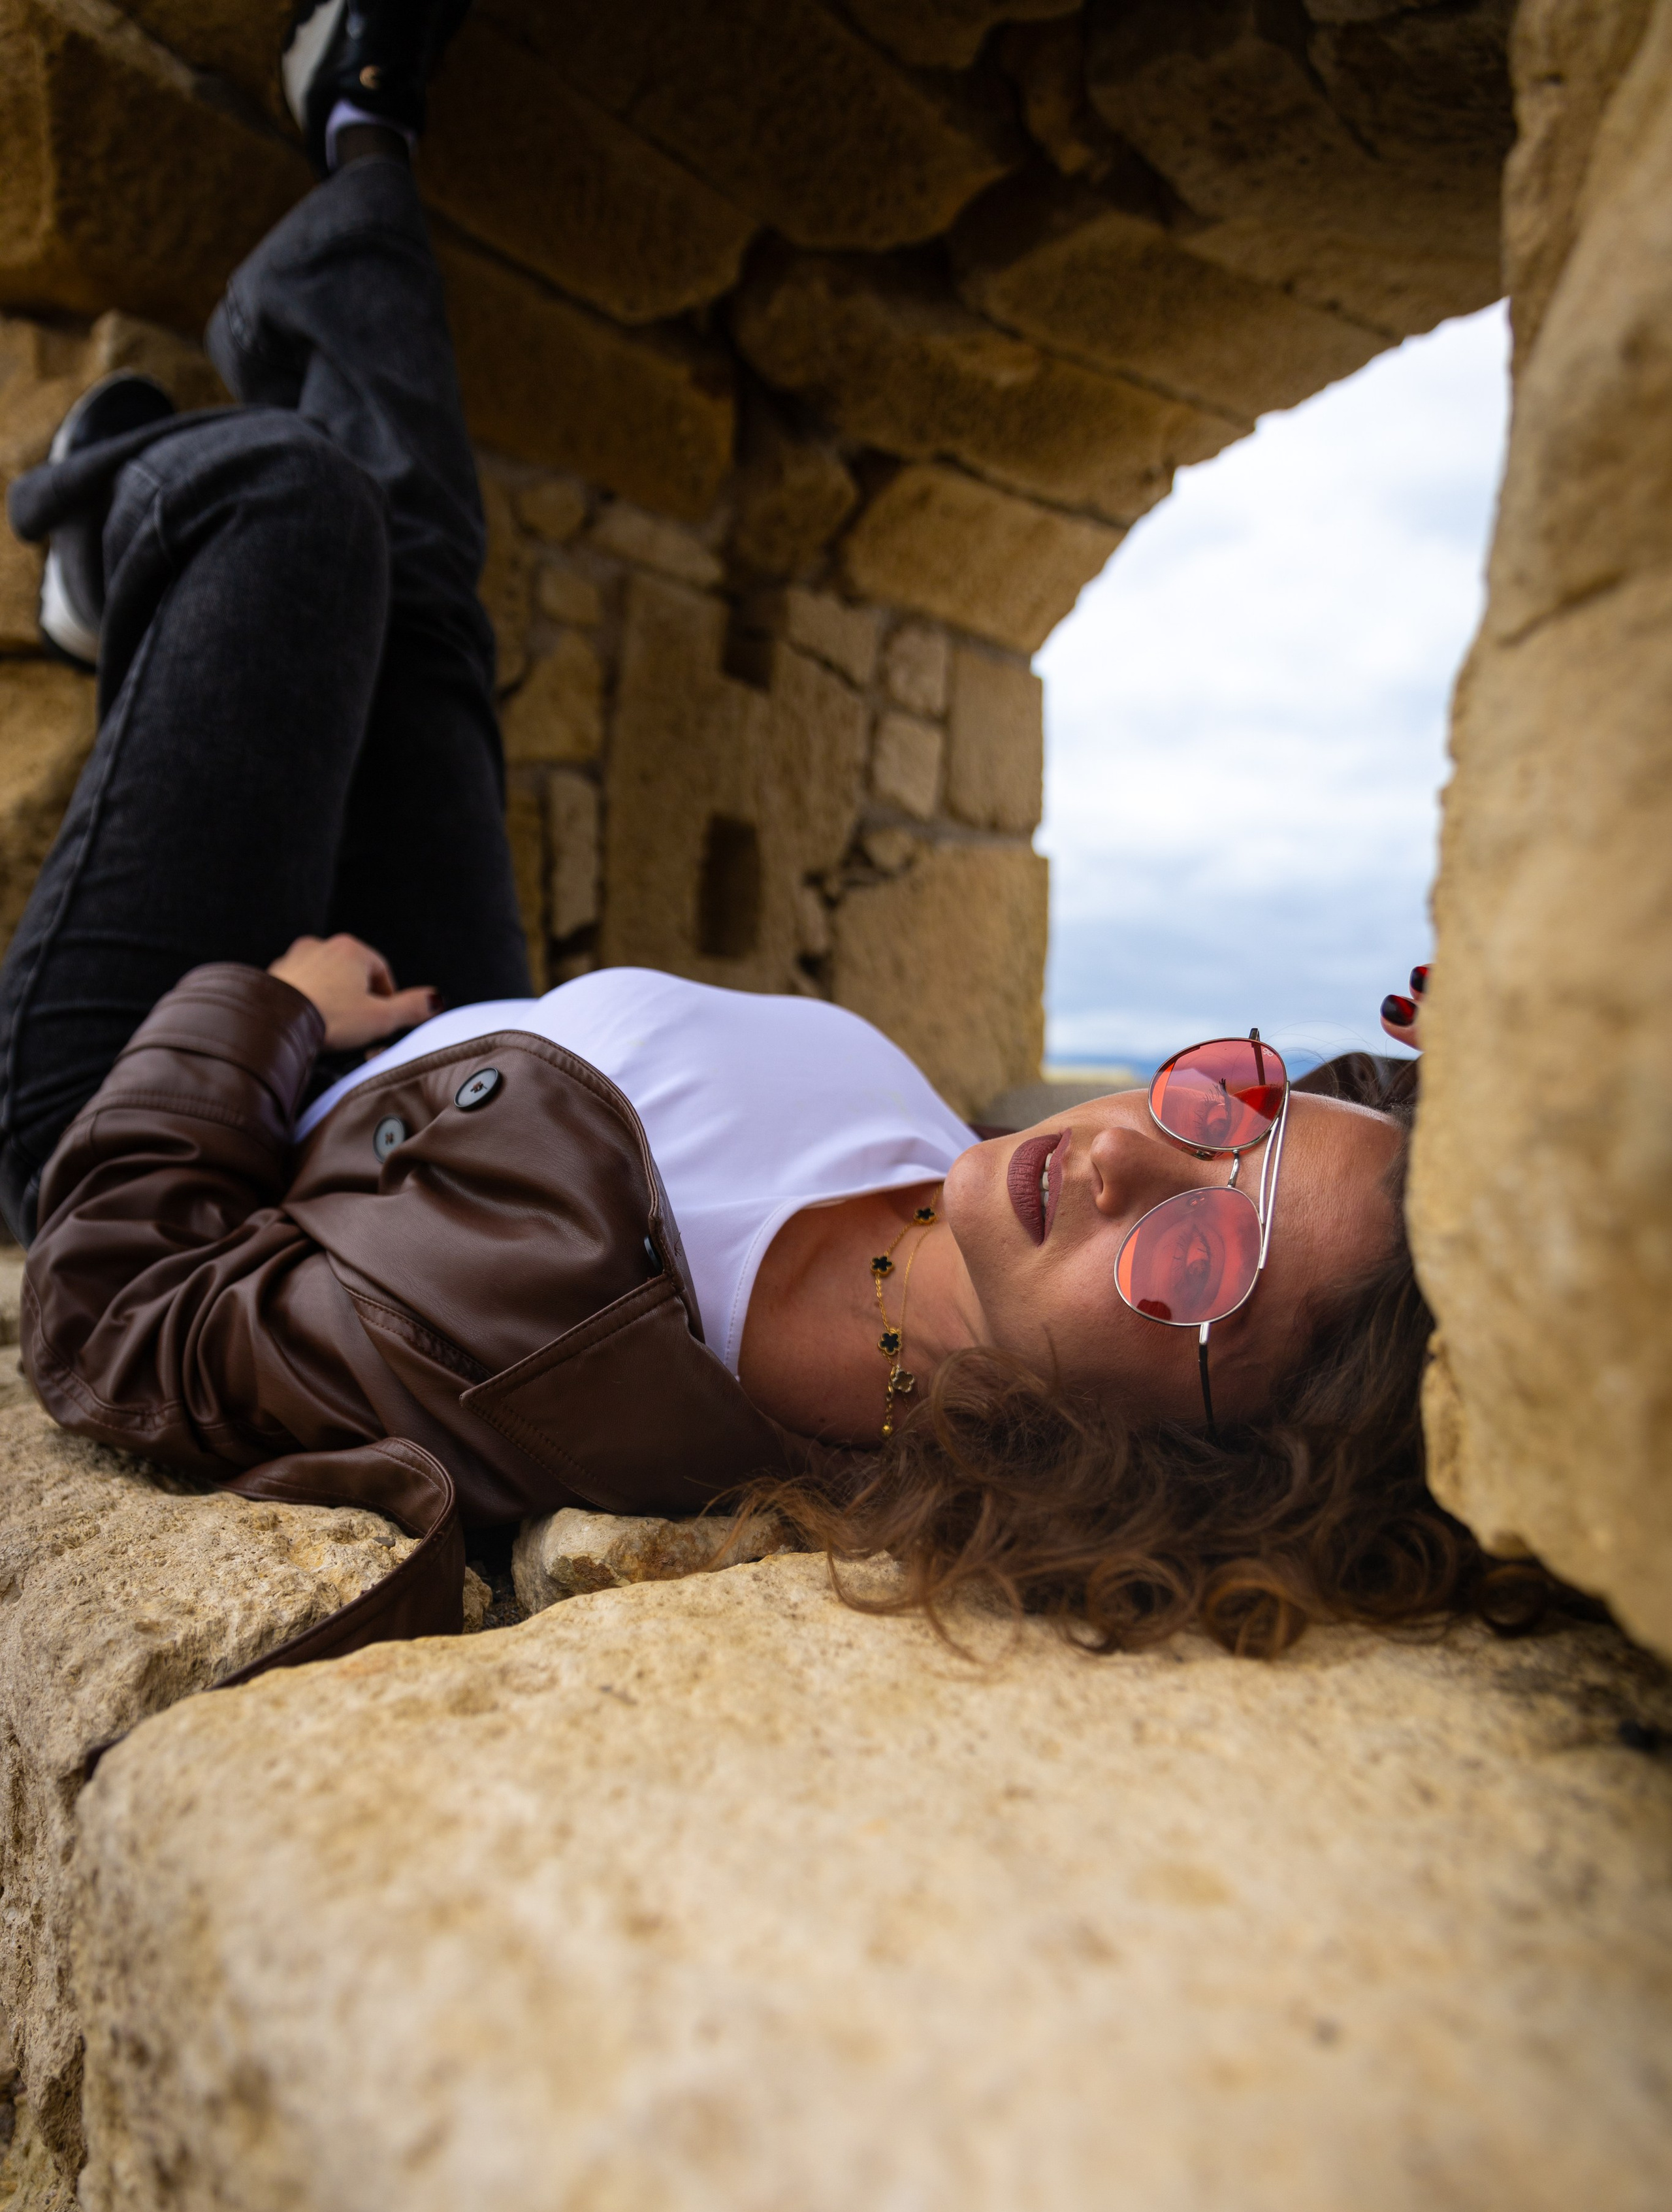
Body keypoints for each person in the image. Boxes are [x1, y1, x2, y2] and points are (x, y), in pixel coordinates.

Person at [0, 2, 1537, 1684]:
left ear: (1186, 1458)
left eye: (1195, 1257)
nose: (1122, 1160)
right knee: (429, 591)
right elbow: (1380, 1165)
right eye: (1223, 1105)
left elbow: (111, 1309)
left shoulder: (550, 1359)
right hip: (462, 1050)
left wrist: (268, 1012)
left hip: (175, 1100)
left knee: (287, 505)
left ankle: (112, 506)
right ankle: (362, 139)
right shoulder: (1001, 1204)